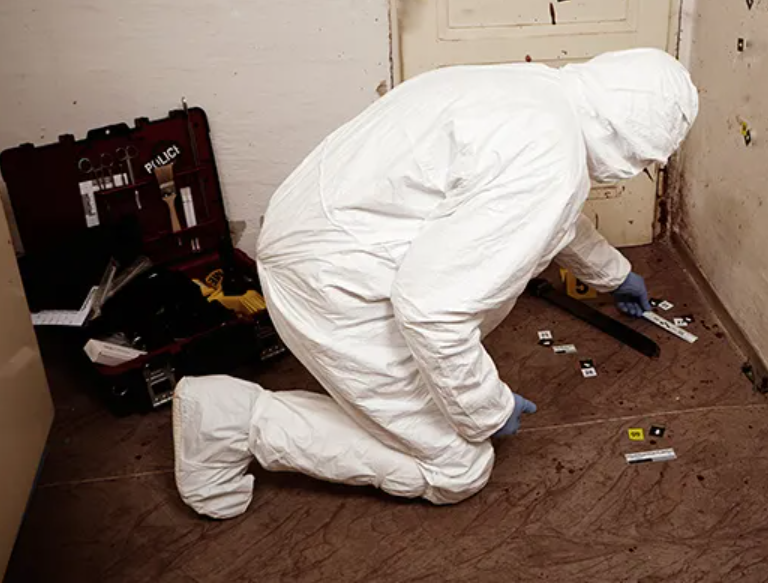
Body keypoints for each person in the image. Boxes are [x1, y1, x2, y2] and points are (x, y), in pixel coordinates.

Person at [173, 48, 698, 519]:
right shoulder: (550, 160)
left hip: (318, 238)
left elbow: (541, 217)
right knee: (459, 468)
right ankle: (231, 422)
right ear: (630, 144)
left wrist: (614, 273)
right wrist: (488, 408)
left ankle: (350, 401)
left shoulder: (531, 91)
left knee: (435, 375)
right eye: (645, 164)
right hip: (338, 289)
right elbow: (432, 311)